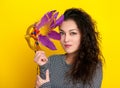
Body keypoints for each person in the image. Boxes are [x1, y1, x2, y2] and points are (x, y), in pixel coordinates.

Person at [34, 8, 103, 88]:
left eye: (73, 33)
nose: (66, 39)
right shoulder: (51, 61)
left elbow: (44, 86)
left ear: (84, 35)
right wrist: (43, 66)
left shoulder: (94, 66)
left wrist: (45, 86)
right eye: (62, 33)